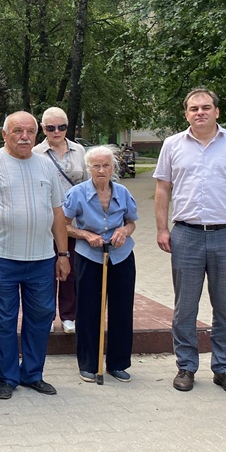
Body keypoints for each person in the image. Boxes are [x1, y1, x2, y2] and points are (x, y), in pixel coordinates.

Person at [154, 88, 226, 396]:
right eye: (193, 108)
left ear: (217, 111)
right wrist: (162, 230)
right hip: (185, 234)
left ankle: (224, 369)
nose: (199, 112)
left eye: (205, 107)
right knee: (184, 307)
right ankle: (186, 366)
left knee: (225, 307)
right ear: (185, 114)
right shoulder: (172, 145)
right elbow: (163, 190)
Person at [0, 111, 70, 400]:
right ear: (5, 135)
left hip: (41, 259)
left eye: (29, 131)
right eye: (17, 131)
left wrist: (62, 254)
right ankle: (7, 376)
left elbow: (57, 212)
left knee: (41, 316)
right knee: (3, 320)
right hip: (1, 257)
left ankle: (33, 374)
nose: (24, 136)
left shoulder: (46, 165)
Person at [62, 146, 138, 383]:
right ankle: (88, 364)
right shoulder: (77, 193)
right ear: (89, 168)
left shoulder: (123, 192)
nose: (101, 170)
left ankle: (118, 363)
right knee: (88, 310)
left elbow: (131, 223)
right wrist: (85, 235)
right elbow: (63, 225)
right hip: (89, 256)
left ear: (113, 167)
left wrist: (123, 231)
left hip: (121, 255)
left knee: (121, 309)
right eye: (96, 166)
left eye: (106, 165)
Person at [33, 107, 89, 335]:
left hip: (73, 222)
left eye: (62, 127)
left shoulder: (79, 150)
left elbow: (87, 186)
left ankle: (68, 316)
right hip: (46, 221)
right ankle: (46, 316)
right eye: (50, 128)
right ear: (43, 129)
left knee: (71, 270)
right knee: (47, 271)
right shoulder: (36, 152)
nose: (56, 132)